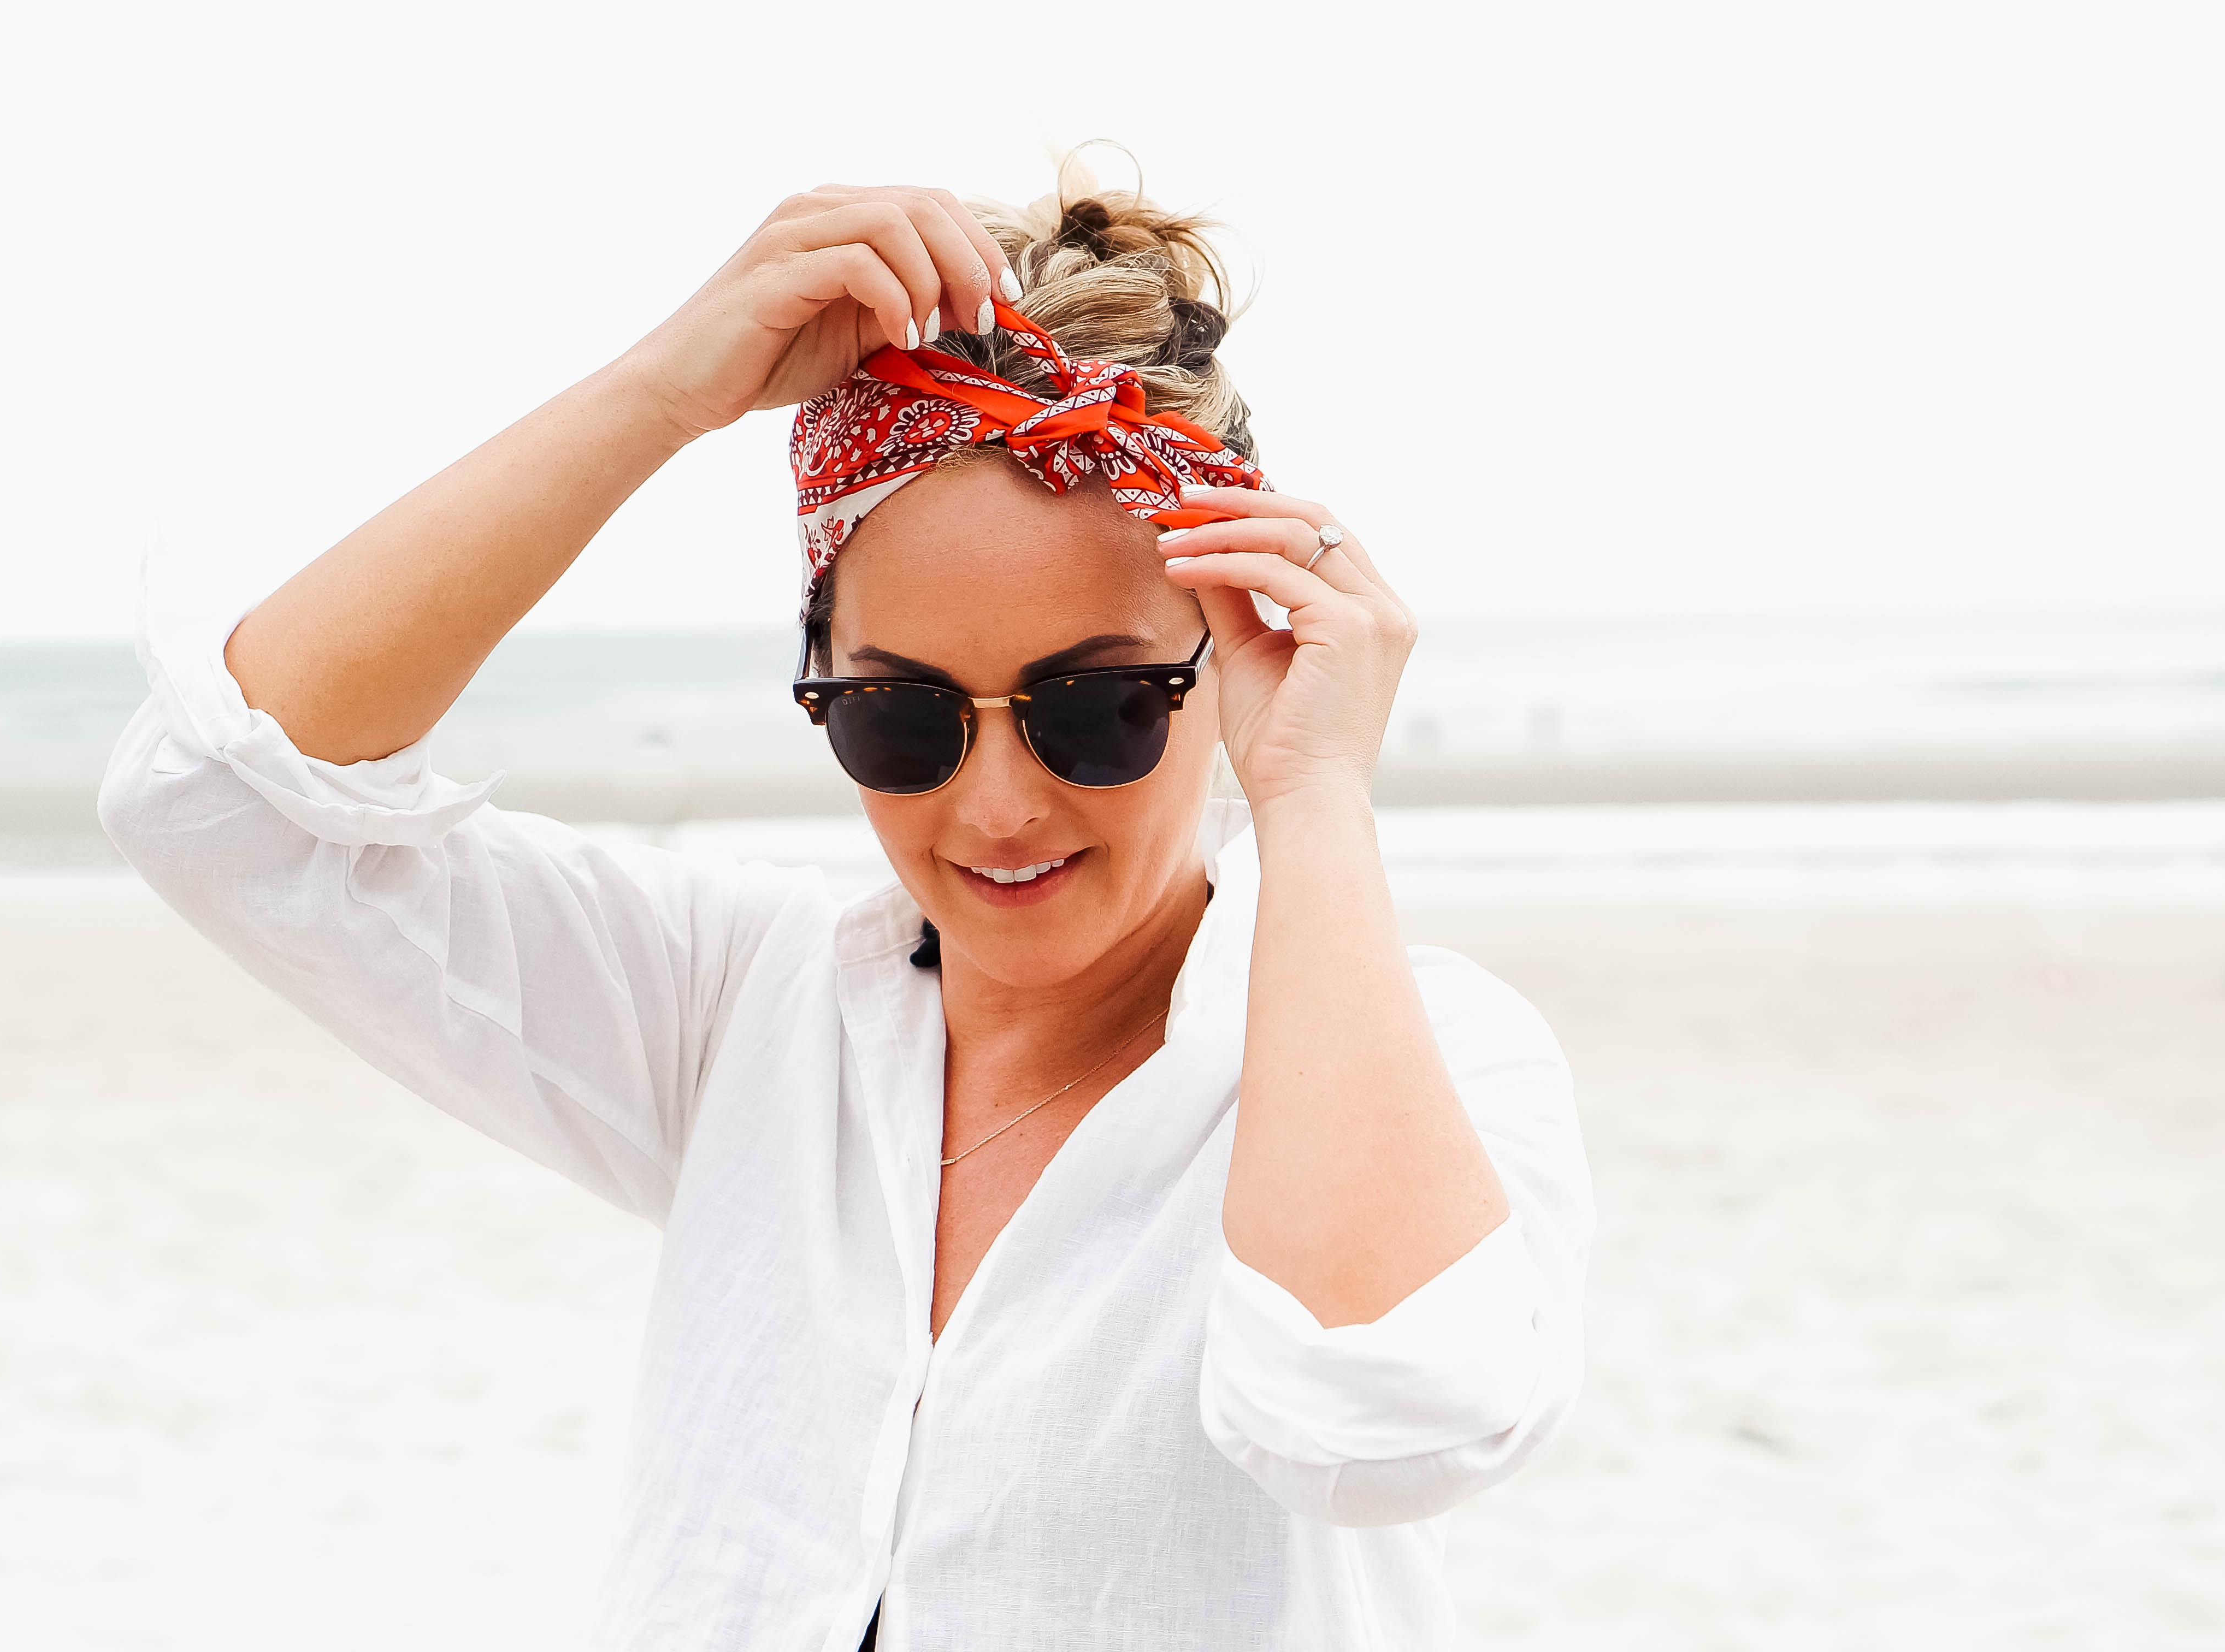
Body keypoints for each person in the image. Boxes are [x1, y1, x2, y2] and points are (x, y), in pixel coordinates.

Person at [100, 165, 1594, 1650]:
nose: (999, 805)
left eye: (1097, 710)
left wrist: (1315, 790)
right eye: (900, 717)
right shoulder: (745, 1007)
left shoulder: (1442, 1058)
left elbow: (1379, 1423)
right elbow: (215, 805)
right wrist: (655, 396)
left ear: (1232, 662)